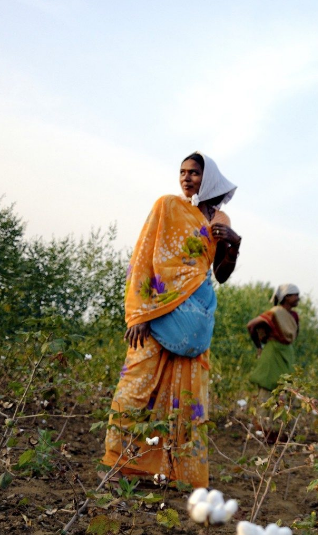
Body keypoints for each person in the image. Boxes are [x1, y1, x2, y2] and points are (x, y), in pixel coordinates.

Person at [102, 152, 241, 489]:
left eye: (194, 173)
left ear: (208, 179)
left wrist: (233, 244)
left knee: (184, 401)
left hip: (195, 316)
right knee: (134, 390)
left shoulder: (220, 217)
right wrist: (138, 311)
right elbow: (144, 256)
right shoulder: (167, 206)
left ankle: (173, 473)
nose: (186, 178)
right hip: (157, 309)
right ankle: (119, 465)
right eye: (182, 172)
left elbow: (221, 273)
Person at [247, 284, 301, 433]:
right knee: (267, 386)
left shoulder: (294, 316)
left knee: (288, 389)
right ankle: (262, 426)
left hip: (286, 352)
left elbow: (295, 334)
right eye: (294, 295)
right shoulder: (275, 312)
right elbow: (252, 325)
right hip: (272, 351)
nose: (298, 298)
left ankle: (279, 428)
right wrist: (259, 345)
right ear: (286, 297)